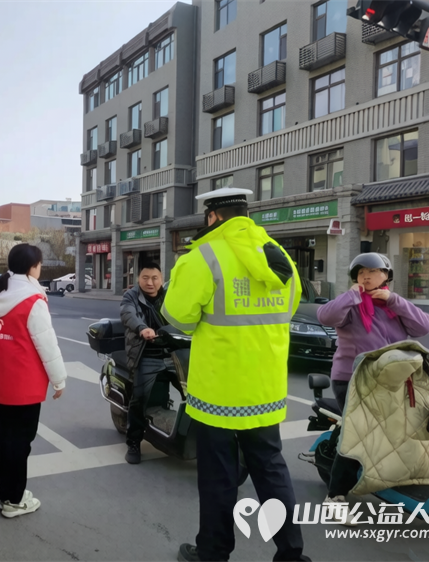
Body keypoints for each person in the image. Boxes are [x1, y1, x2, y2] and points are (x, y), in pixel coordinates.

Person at [163, 187, 309, 562]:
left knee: (218, 476)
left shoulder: (204, 256)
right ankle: (292, 554)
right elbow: (290, 309)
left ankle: (213, 553)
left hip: (219, 391)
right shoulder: (278, 255)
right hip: (265, 388)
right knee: (272, 469)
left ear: (213, 216)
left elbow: (177, 317)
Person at [316, 252, 429, 515]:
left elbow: (424, 327)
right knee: (359, 433)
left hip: (391, 379)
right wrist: (351, 295)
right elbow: (325, 316)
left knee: (403, 429)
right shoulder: (351, 306)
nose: (365, 277)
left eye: (372, 271)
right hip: (352, 378)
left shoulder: (394, 306)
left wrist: (394, 301)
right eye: (360, 273)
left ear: (386, 276)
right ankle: (335, 496)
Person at [0, 244, 67, 518]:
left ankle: (6, 493)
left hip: (1, 382)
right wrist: (59, 380)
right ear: (33, 267)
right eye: (39, 265)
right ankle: (14, 500)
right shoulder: (32, 301)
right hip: (25, 385)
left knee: (5, 438)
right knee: (20, 442)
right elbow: (47, 345)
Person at [119, 262, 169, 464]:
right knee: (139, 398)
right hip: (145, 353)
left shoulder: (170, 296)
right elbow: (128, 314)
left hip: (172, 352)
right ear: (138, 279)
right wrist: (142, 328)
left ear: (161, 279)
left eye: (155, 278)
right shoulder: (130, 296)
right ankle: (133, 442)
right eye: (145, 278)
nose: (150, 282)